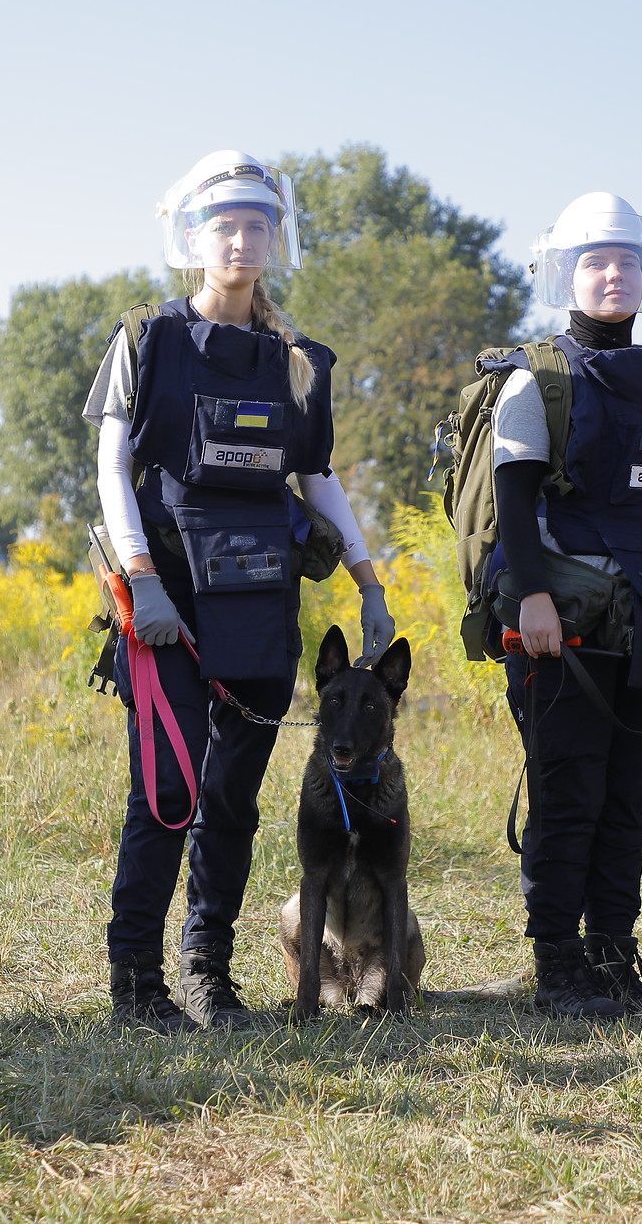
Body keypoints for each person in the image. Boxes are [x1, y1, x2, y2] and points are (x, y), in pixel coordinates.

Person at [83, 150, 395, 1030]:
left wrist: (369, 581)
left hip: (262, 610)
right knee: (168, 794)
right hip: (168, 607)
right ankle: (136, 982)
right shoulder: (149, 338)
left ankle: (207, 975)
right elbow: (111, 466)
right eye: (226, 224)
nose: (242, 239)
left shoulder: (297, 364)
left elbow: (319, 477)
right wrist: (141, 582)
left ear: (276, 236)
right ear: (193, 236)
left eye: (258, 224)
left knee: (231, 801)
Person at [491, 192, 642, 1019]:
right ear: (565, 274)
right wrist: (534, 599)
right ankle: (558, 969)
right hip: (563, 627)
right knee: (567, 794)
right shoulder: (534, 380)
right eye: (596, 261)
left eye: (626, 260)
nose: (614, 274)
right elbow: (513, 507)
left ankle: (615, 958)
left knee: (627, 799)